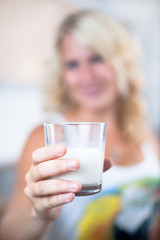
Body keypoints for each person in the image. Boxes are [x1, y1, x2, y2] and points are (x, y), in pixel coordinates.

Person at [0, 10, 160, 240]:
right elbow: (8, 233)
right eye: (73, 64)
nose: (87, 76)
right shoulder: (47, 137)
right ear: (61, 74)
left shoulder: (146, 136)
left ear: (121, 62)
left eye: (96, 59)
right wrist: (39, 214)